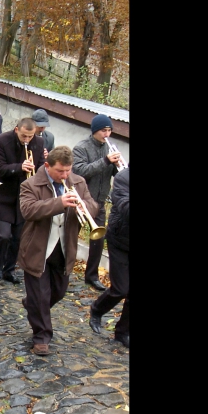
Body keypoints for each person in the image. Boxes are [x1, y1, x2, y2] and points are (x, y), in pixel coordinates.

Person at [18, 146, 98, 355]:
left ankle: (32, 304)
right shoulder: (30, 184)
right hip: (38, 248)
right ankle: (41, 337)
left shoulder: (78, 182)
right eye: (60, 171)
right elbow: (28, 210)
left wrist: (84, 207)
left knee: (59, 292)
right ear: (47, 166)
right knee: (41, 296)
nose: (65, 175)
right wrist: (59, 202)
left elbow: (93, 205)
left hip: (63, 247)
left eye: (68, 170)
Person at [72, 115, 123, 292]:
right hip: (82, 200)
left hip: (100, 201)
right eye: (104, 130)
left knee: (98, 240)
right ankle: (63, 270)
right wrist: (106, 161)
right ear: (95, 131)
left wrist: (119, 166)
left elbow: (115, 174)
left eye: (109, 130)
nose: (107, 134)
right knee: (71, 237)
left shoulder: (108, 148)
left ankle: (91, 276)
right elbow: (79, 171)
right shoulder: (81, 147)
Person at [0, 117, 45, 284]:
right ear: (16, 130)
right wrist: (19, 167)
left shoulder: (39, 142)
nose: (27, 140)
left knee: (18, 238)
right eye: (24, 136)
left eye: (30, 136)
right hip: (4, 196)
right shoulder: (1, 140)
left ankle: (9, 269)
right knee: (4, 235)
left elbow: (42, 166)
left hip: (24, 198)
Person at [88, 165, 129, 348]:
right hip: (120, 240)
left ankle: (122, 332)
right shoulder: (123, 178)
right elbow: (124, 207)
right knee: (121, 289)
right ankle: (97, 309)